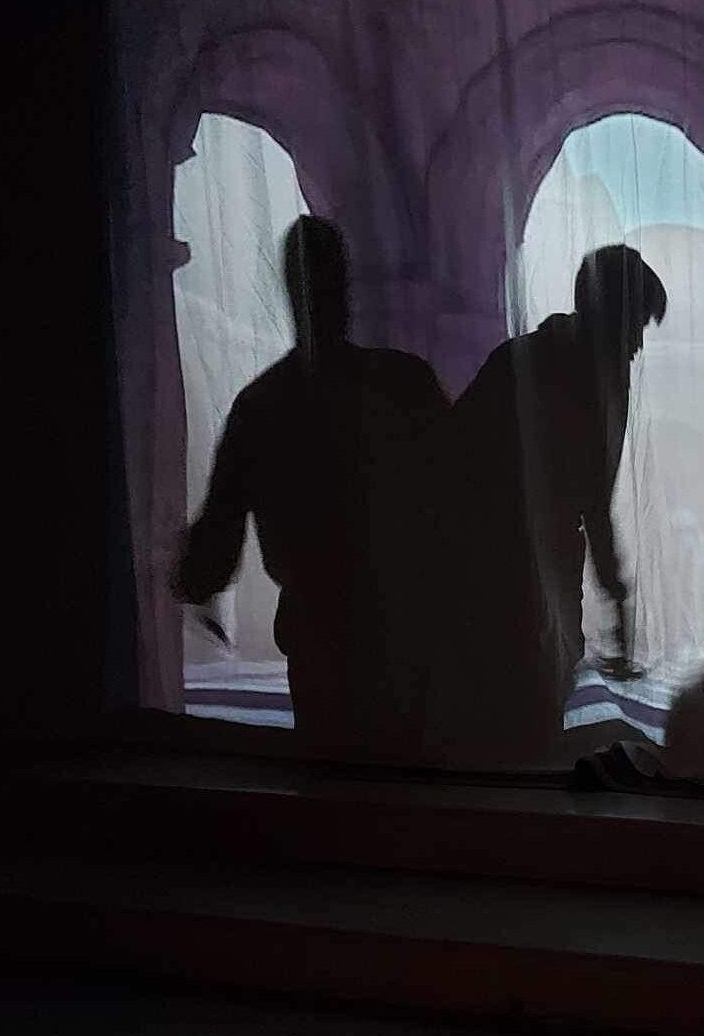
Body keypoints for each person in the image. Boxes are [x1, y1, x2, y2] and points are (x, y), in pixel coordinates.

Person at [172, 215, 449, 754]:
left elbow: (211, 559)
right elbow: (462, 493)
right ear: (347, 287)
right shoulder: (405, 382)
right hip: (410, 636)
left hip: (320, 640)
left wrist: (178, 571)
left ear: (288, 290)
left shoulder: (261, 405)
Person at [401, 244, 667, 765]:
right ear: (608, 316)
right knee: (525, 728)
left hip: (501, 579)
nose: (637, 345)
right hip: (508, 581)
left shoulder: (522, 361)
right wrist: (615, 593)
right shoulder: (584, 378)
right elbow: (593, 498)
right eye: (634, 327)